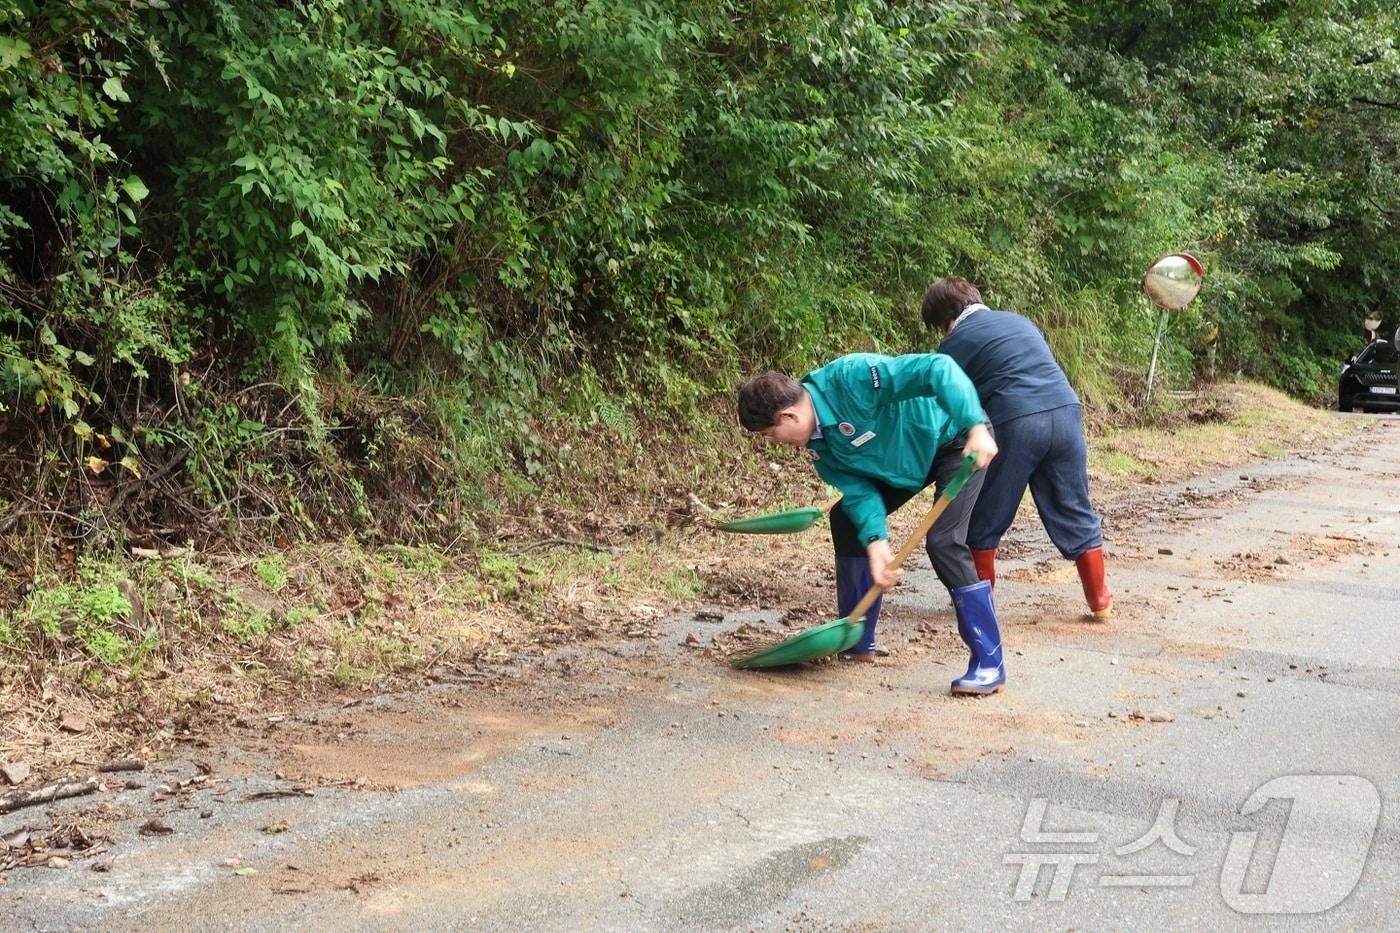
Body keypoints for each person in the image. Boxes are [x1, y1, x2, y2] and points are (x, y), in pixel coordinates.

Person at [736, 353, 1005, 694]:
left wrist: (975, 426)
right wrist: (877, 542)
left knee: (944, 541)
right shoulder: (819, 446)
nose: (778, 444)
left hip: (956, 441)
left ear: (789, 415)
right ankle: (856, 638)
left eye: (773, 434)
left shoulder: (853, 379)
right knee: (847, 518)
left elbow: (938, 369)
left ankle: (989, 662)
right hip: (904, 465)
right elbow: (859, 491)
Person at [921, 277, 1111, 618]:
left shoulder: (955, 344)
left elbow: (945, 405)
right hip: (1066, 412)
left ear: (944, 319)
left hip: (1015, 420)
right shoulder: (1020, 322)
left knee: (984, 514)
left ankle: (981, 605)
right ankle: (1100, 602)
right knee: (1074, 506)